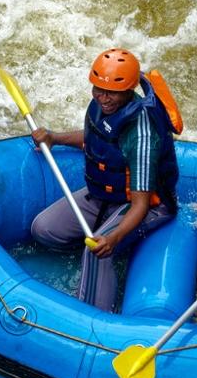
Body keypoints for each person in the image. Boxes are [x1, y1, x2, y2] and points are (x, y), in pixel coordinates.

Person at [29, 48, 182, 311]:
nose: (103, 97)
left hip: (147, 204)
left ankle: (92, 318)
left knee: (96, 253)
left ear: (129, 90)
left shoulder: (141, 133)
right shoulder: (101, 106)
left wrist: (115, 238)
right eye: (98, 89)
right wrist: (54, 138)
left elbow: (141, 205)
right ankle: (109, 252)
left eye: (111, 92)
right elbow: (96, 138)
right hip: (105, 196)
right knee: (43, 229)